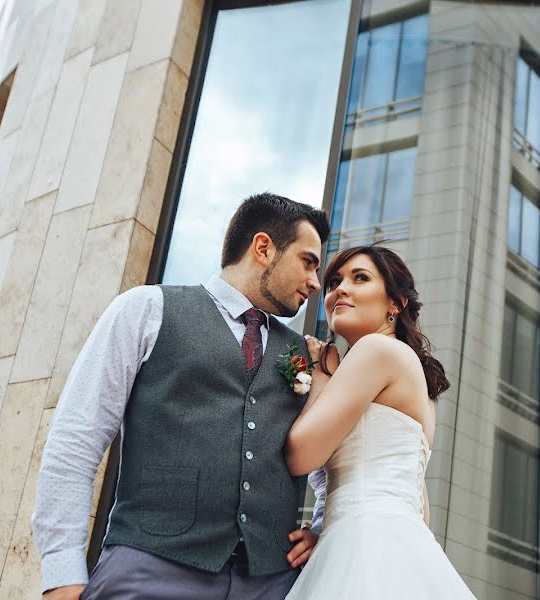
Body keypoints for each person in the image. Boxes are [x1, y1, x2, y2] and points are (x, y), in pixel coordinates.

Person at [33, 193, 330, 600]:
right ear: (263, 248)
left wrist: (320, 528)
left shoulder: (302, 353)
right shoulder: (145, 310)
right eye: (308, 261)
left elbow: (327, 460)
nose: (315, 282)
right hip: (150, 569)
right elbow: (77, 439)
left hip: (271, 583)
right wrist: (62, 570)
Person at [284, 245, 477, 599]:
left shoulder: (376, 351)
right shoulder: (409, 373)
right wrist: (326, 530)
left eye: (360, 278)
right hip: (390, 544)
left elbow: (300, 455)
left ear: (396, 303)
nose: (341, 288)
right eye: (335, 282)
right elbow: (419, 511)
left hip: (364, 543)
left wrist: (322, 373)